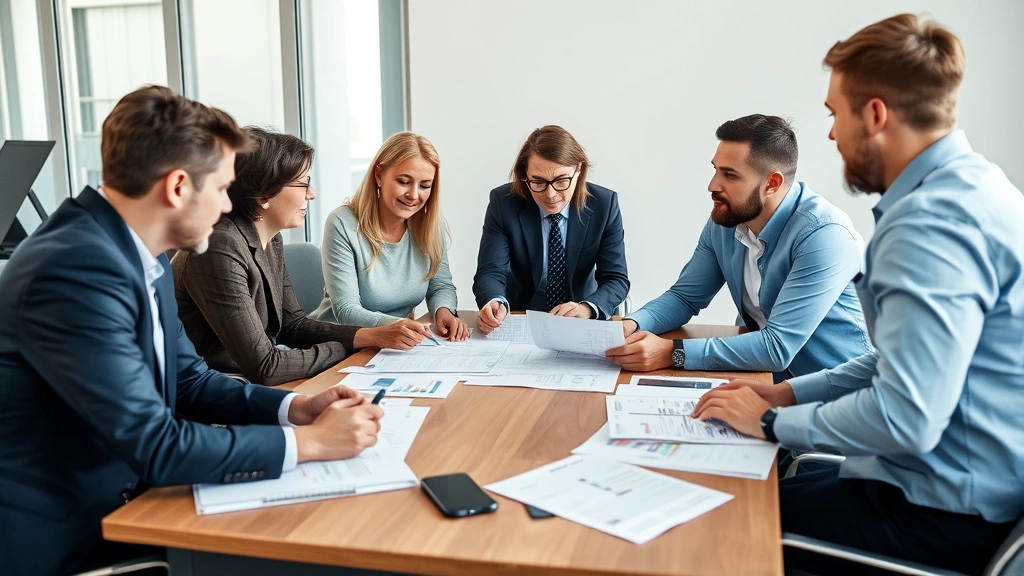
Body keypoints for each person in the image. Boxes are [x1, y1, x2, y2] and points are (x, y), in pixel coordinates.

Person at [0, 86, 385, 575]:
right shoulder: (74, 271)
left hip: (131, 501)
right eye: (223, 188)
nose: (229, 206)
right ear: (179, 186)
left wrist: (295, 409)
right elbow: (157, 444)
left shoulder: (140, 251)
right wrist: (309, 444)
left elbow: (189, 381)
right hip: (66, 534)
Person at [691, 15, 1024, 575]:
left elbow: (907, 418)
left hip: (936, 513)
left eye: (833, 114)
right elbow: (895, 363)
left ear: (874, 114)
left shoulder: (928, 227)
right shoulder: (982, 188)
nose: (829, 135)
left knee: (711, 522)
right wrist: (785, 397)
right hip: (949, 484)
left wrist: (770, 423)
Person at [605, 115, 871, 381]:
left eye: (730, 175)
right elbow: (685, 297)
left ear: (772, 184)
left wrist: (673, 353)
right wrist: (632, 324)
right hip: (762, 378)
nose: (712, 186)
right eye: (715, 169)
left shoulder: (824, 235)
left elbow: (777, 347)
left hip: (838, 393)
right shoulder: (725, 222)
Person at [172, 127, 431, 386]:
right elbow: (266, 366)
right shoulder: (218, 247)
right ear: (265, 193)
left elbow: (293, 325)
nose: (312, 193)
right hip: (214, 388)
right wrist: (343, 351)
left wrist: (372, 336)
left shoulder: (270, 238)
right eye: (303, 183)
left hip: (251, 382)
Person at [311, 132, 467, 341]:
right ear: (379, 176)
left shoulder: (430, 227)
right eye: (404, 181)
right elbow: (346, 311)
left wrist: (443, 312)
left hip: (396, 345)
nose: (413, 195)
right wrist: (402, 325)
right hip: (341, 342)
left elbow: (440, 285)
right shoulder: (342, 223)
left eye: (425, 186)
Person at [473, 125, 629, 334]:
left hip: (583, 320)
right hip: (523, 318)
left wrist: (586, 309)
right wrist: (494, 302)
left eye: (562, 180)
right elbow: (490, 271)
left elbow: (616, 279)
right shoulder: (504, 203)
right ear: (524, 175)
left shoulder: (604, 204)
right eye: (538, 181)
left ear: (578, 170)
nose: (550, 194)